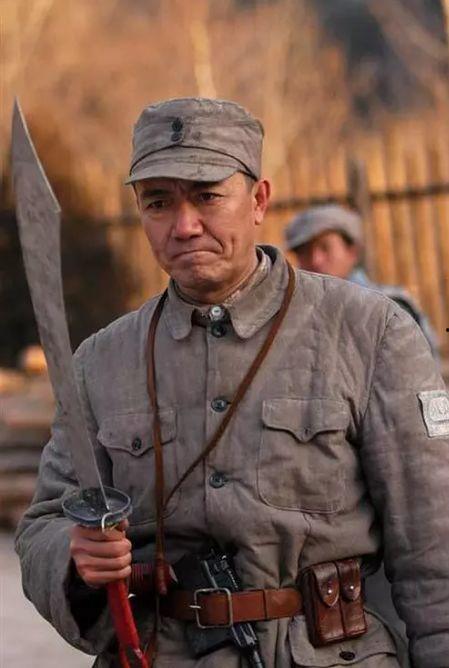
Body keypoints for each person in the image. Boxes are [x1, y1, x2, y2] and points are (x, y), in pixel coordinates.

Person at [15, 98, 449, 668]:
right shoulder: (100, 363)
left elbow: (434, 545)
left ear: (259, 200)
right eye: (159, 202)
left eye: (207, 196)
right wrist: (75, 559)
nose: (184, 225)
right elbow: (43, 524)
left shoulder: (371, 333)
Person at [283, 204, 439, 359]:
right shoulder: (295, 317)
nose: (315, 260)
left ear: (352, 252)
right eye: (304, 252)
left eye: (325, 248)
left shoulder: (388, 309)